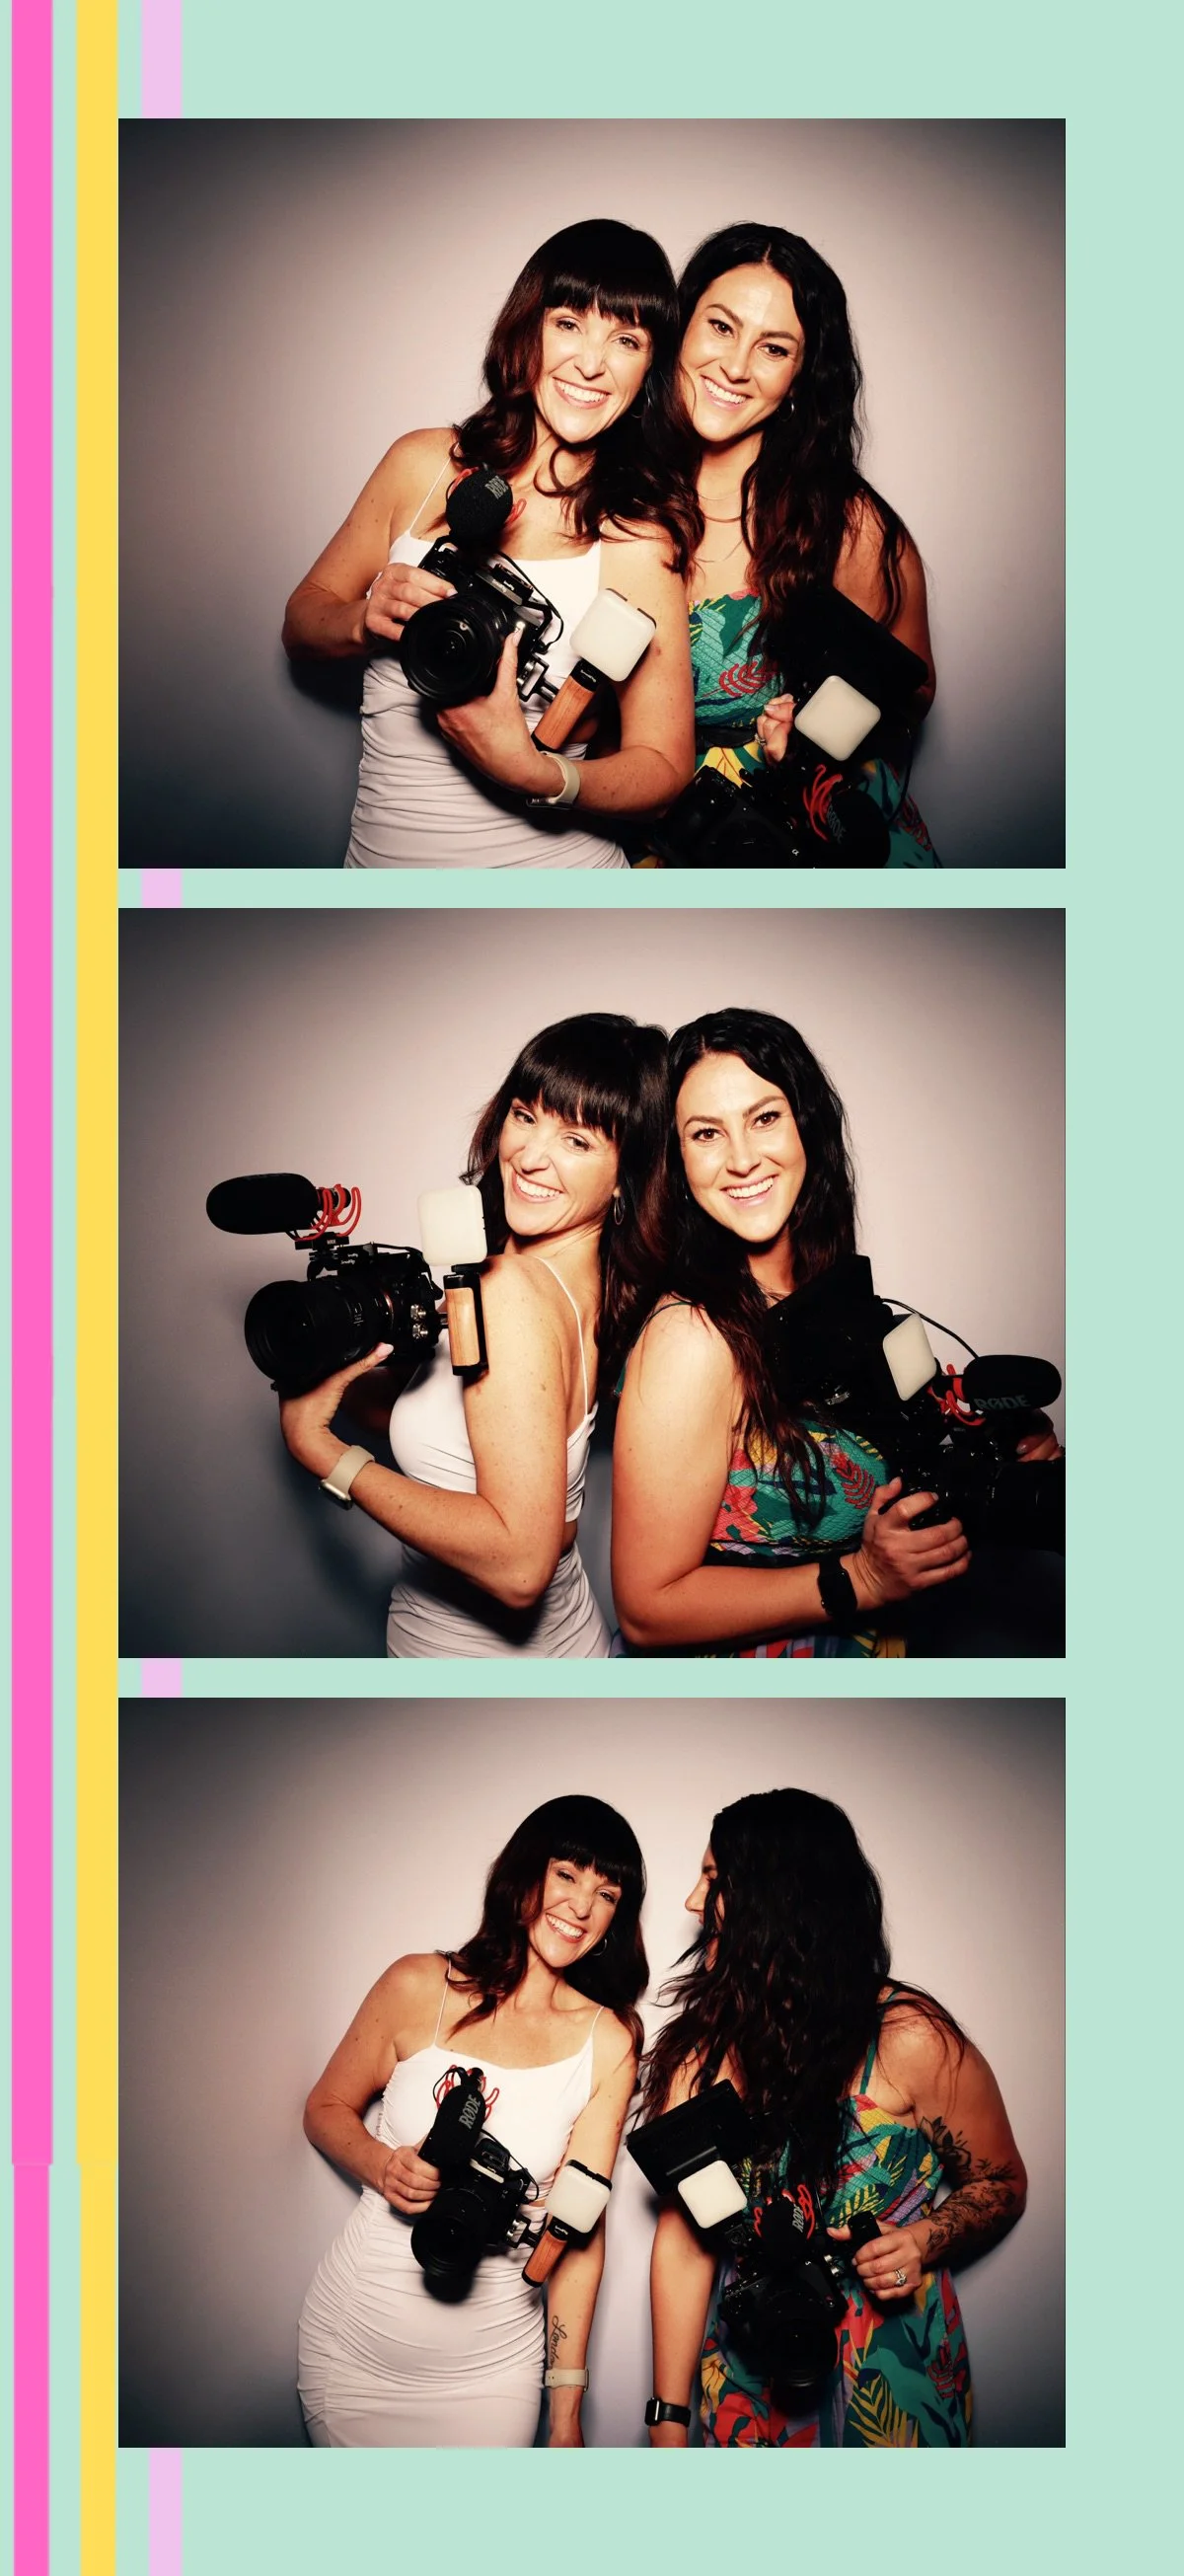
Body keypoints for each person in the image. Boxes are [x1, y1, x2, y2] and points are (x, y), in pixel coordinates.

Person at [282, 221, 697, 870]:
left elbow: (666, 769)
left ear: (648, 370)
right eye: (568, 323)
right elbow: (302, 622)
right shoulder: (423, 466)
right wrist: (365, 618)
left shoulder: (637, 538)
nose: (591, 362)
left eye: (625, 339)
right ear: (527, 328)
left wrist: (538, 774)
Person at [639, 1788, 1028, 2451]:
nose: (692, 1904)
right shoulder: (700, 2053)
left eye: (712, 1879)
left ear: (776, 1898)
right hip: (750, 2369)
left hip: (895, 2375)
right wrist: (667, 2419)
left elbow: (1002, 2183)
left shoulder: (910, 2037)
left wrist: (924, 2240)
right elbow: (684, 2242)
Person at [276, 1013, 667, 1659]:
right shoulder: (584, 1282)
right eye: (525, 1114)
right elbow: (468, 1443)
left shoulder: (512, 1290)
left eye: (578, 1141)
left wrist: (320, 1450)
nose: (531, 1156)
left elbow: (519, 1568)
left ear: (628, 1172)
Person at [612, 1005, 976, 1657]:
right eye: (705, 1134)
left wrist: (994, 1449)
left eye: (765, 1117)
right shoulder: (693, 1336)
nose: (743, 1159)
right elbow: (647, 1611)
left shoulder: (828, 1297)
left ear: (806, 1124)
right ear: (677, 1162)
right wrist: (861, 1579)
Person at [298, 1797, 645, 2450]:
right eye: (567, 1874)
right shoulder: (416, 1985)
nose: (581, 1906)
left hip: (492, 2368)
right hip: (353, 2347)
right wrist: (384, 2164)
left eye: (607, 1893)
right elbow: (324, 2109)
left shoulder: (611, 2041)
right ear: (524, 1873)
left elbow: (578, 2233)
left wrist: (566, 2414)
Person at [638, 221, 939, 868]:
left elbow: (909, 695)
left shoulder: (843, 524)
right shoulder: (614, 494)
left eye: (774, 349)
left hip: (812, 855)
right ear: (681, 326)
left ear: (802, 376)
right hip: (662, 848)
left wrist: (809, 751)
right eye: (720, 326)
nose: (736, 367)